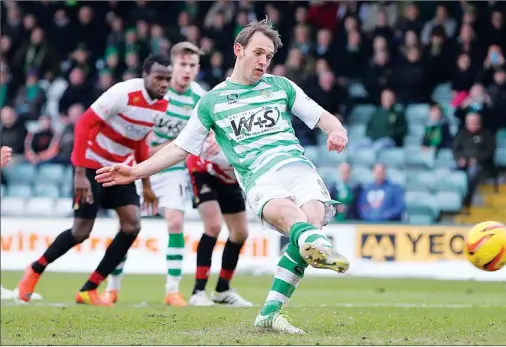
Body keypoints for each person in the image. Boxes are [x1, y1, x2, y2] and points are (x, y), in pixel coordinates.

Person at [95, 19, 349, 333]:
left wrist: (337, 131)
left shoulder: (281, 86)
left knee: (312, 222)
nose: (263, 61)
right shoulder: (211, 102)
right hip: (260, 177)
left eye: (268, 56)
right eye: (257, 53)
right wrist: (135, 170)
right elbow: (178, 148)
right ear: (238, 50)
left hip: (298, 168)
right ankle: (319, 246)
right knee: (294, 220)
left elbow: (322, 117)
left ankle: (270, 312)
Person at [16, 54, 172, 306]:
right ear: (145, 76)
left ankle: (89, 288)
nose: (164, 83)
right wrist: (79, 173)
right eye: (159, 78)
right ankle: (35, 269)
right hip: (90, 166)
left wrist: (145, 183)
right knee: (81, 231)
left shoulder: (163, 104)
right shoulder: (122, 93)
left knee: (132, 225)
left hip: (119, 170)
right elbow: (83, 124)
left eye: (167, 79)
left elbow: (140, 141)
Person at [101, 42, 207, 307]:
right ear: (172, 66)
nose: (187, 71)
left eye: (192, 66)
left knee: (174, 223)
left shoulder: (200, 99)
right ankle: (111, 288)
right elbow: (139, 137)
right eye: (182, 64)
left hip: (173, 170)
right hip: (139, 165)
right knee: (125, 226)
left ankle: (172, 291)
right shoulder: (157, 91)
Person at [185, 134, 252, 307]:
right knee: (213, 226)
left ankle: (222, 289)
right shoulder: (217, 148)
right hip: (203, 171)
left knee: (240, 233)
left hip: (230, 179)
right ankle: (198, 291)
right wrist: (214, 133)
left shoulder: (259, 149)